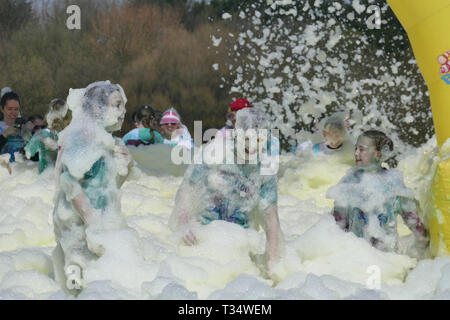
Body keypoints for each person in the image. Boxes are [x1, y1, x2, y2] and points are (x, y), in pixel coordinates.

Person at [169, 108, 283, 276]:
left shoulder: (265, 169)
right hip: (201, 236)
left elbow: (270, 217)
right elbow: (188, 189)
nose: (251, 147)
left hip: (240, 243)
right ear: (236, 135)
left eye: (258, 140)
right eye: (246, 139)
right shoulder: (214, 152)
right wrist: (184, 225)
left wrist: (273, 261)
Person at [52, 81, 133, 294]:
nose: (123, 111)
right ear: (97, 108)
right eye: (117, 105)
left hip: (99, 223)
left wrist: (127, 166)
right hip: (78, 226)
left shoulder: (105, 139)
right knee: (82, 285)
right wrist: (93, 222)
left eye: (122, 105)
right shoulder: (82, 136)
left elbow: (107, 187)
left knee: (103, 285)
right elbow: (69, 183)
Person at [327, 130, 429, 253]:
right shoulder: (350, 181)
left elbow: (412, 220)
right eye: (356, 149)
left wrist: (423, 245)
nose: (356, 153)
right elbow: (338, 223)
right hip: (357, 255)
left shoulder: (393, 182)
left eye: (362, 149)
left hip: (386, 257)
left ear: (379, 154)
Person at [24, 99, 71, 173]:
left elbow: (61, 148)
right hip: (46, 175)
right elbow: (28, 153)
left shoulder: (68, 135)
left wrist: (57, 147)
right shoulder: (44, 134)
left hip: (60, 176)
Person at [0, 91, 25, 160]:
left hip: (20, 169)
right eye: (9, 109)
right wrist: (5, 135)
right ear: (2, 109)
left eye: (16, 109)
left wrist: (31, 138)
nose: (13, 112)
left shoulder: (23, 129)